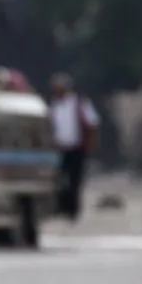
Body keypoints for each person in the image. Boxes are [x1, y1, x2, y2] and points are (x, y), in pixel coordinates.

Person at [49, 72, 99, 222]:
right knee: (60, 179)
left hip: (77, 148)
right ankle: (62, 207)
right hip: (60, 149)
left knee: (75, 180)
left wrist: (90, 144)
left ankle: (73, 211)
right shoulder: (55, 104)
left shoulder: (80, 103)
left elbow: (93, 123)